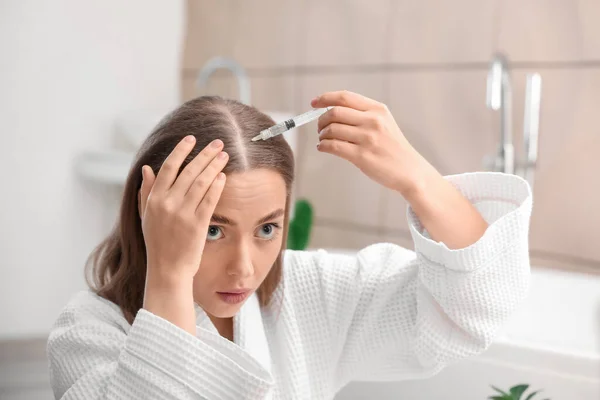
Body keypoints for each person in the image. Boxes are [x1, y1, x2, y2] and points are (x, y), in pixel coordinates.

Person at [47, 91, 532, 399]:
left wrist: (419, 180)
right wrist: (170, 276)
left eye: (266, 229)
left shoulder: (307, 293)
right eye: (213, 229)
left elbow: (473, 307)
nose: (244, 269)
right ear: (152, 214)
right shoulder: (88, 332)